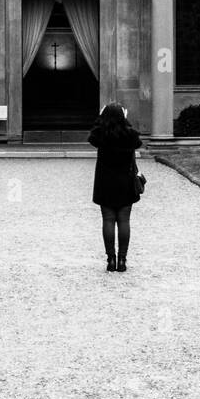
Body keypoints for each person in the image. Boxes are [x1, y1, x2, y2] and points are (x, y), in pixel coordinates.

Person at [88, 103, 143, 273]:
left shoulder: (101, 134)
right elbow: (137, 141)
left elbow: (93, 135)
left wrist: (101, 117)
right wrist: (124, 120)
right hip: (125, 181)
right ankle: (122, 260)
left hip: (105, 181)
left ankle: (110, 259)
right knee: (124, 220)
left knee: (108, 220)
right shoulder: (130, 135)